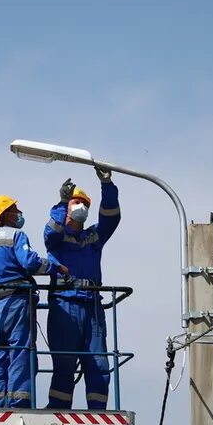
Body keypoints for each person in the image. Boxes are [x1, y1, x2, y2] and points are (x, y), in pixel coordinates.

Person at [0, 195, 67, 409]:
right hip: (18, 302)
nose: (19, 213)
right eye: (15, 209)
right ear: (4, 215)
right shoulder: (16, 235)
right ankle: (20, 401)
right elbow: (29, 263)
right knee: (20, 350)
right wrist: (55, 268)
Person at [43, 167, 121, 410]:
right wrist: (63, 201)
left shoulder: (93, 237)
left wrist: (107, 184)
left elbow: (111, 217)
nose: (82, 207)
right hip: (64, 305)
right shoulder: (56, 235)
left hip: (93, 306)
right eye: (77, 202)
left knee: (97, 363)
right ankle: (58, 409)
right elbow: (50, 233)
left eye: (85, 203)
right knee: (64, 363)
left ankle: (98, 411)